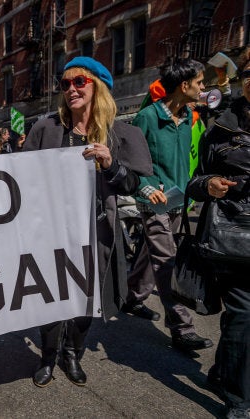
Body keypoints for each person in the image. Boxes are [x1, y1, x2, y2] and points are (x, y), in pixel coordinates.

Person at [23, 56, 152, 388]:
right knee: (49, 296)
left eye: (79, 82)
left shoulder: (122, 133)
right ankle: (48, 356)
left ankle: (72, 354)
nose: (70, 89)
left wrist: (111, 165)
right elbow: (20, 176)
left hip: (97, 230)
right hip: (51, 230)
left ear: (100, 87)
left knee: (86, 298)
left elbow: (133, 185)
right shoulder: (46, 127)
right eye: (65, 84)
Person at [122, 58, 214, 352]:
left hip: (178, 201)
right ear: (184, 85)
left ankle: (133, 297)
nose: (203, 88)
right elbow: (132, 161)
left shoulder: (188, 117)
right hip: (153, 201)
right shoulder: (147, 117)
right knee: (166, 259)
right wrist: (148, 188)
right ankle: (182, 328)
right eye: (200, 83)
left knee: (150, 253)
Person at [186, 47, 250, 419]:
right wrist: (209, 183)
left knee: (241, 318)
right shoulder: (221, 125)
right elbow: (192, 181)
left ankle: (219, 373)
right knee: (243, 312)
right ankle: (240, 401)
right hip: (235, 236)